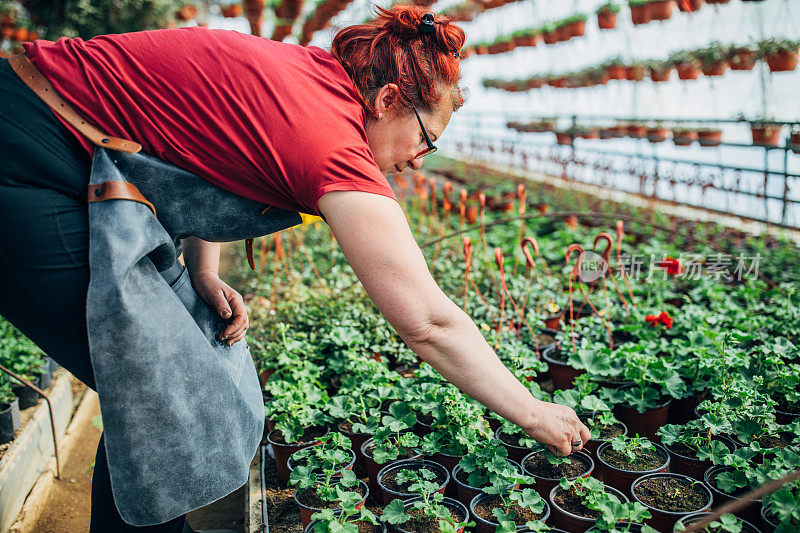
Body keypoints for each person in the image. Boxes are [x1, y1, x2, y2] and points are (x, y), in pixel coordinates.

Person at [0, 5, 589, 532]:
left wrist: (205, 271)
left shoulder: (311, 82)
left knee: (185, 369)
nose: (418, 158)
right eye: (424, 139)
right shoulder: (331, 141)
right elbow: (428, 322)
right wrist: (532, 411)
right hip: (28, 158)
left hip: (65, 156)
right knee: (166, 392)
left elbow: (209, 153)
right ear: (385, 101)